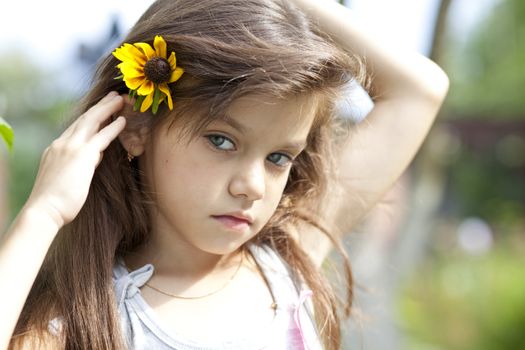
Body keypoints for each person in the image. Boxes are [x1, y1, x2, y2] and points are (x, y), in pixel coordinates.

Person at [0, 0, 449, 349]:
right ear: (138, 126)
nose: (252, 186)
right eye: (221, 141)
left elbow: (419, 89)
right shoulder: (86, 318)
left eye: (278, 157)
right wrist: (42, 215)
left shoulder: (287, 262)